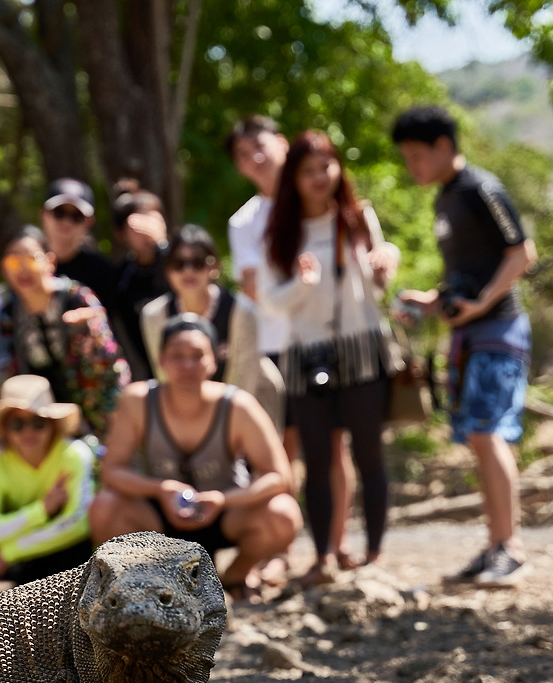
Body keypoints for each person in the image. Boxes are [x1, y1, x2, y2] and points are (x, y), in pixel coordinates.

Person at [392, 105, 537, 587]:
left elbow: (521, 254)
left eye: (417, 155)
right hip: (468, 334)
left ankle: (510, 548)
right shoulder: (444, 200)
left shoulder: (481, 188)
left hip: (499, 330)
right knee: (477, 436)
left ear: (444, 147)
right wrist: (432, 302)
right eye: (406, 157)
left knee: (489, 431)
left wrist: (480, 305)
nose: (413, 166)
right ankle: (496, 543)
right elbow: (466, 277)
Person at [260, 130, 400, 588]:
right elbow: (274, 301)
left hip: (361, 347)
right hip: (306, 354)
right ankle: (321, 558)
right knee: (317, 459)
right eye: (308, 170)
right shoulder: (281, 231)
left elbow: (379, 284)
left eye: (326, 166)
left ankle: (374, 554)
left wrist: (385, 264)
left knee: (368, 453)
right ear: (293, 179)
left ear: (338, 168)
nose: (320, 177)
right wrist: (302, 282)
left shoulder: (358, 218)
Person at [89, 314, 302, 600]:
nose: (187, 365)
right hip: (158, 519)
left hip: (225, 513)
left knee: (284, 513)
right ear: (161, 359)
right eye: (177, 356)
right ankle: (154, 580)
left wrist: (222, 499)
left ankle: (235, 575)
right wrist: (160, 489)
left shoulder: (238, 405)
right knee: (104, 507)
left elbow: (279, 476)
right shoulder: (137, 401)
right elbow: (112, 471)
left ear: (213, 360)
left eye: (197, 356)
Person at [227, 115, 359, 571]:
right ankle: (279, 550)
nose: (256, 159)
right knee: (280, 449)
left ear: (283, 144)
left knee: (333, 445)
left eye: (260, 146)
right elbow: (251, 289)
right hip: (273, 345)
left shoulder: (320, 201)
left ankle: (334, 547)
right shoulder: (245, 221)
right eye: (244, 155)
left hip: (327, 340)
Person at [139, 224, 284, 431]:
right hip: (184, 409)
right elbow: (166, 376)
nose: (188, 271)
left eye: (197, 263)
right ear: (167, 271)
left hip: (250, 401)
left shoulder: (241, 312)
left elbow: (242, 384)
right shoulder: (154, 316)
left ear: (214, 267)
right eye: (178, 264)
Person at [0, 225, 129, 437]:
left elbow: (110, 362)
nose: (22, 269)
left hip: (97, 408)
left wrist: (87, 334)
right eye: (13, 261)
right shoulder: (7, 313)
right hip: (43, 417)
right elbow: (11, 368)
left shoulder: (77, 297)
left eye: (30, 259)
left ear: (50, 261)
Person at [0, 375, 96, 587]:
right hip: (25, 564)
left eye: (38, 422)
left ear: (53, 424)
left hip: (71, 555)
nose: (28, 432)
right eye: (18, 424)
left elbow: (79, 523)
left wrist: (10, 552)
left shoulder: (75, 455)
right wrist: (42, 511)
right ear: (5, 430)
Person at [103, 181, 171, 382]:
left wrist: (162, 247)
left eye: (152, 220)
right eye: (136, 226)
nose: (146, 231)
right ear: (121, 234)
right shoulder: (122, 278)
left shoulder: (179, 262)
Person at [40, 177, 118, 299]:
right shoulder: (28, 263)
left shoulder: (101, 272)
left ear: (89, 222)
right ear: (43, 214)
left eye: (76, 216)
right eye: (59, 212)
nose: (66, 222)